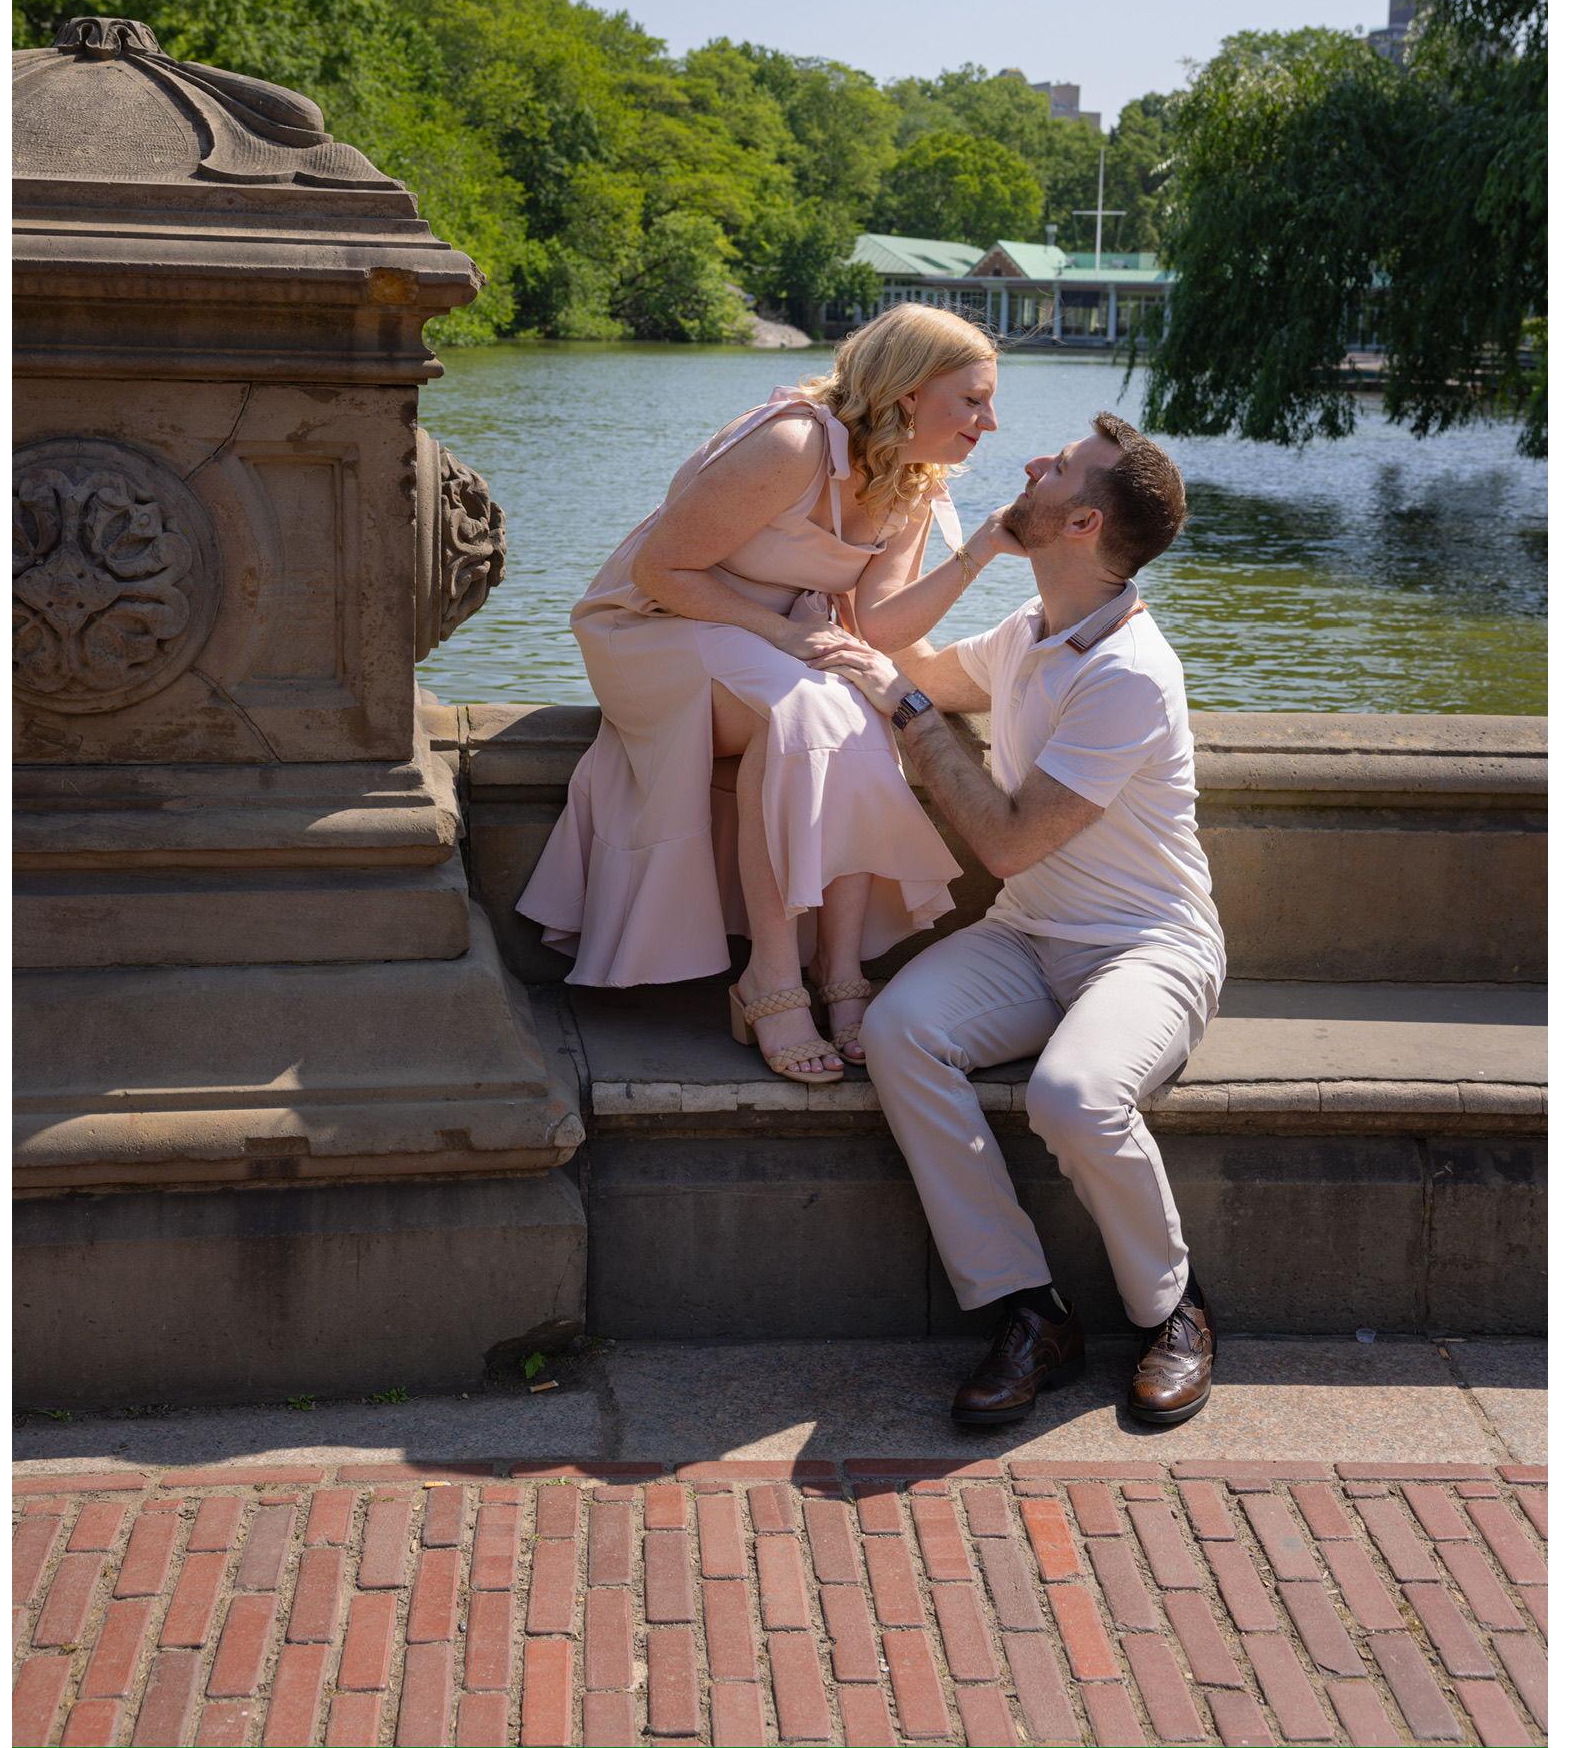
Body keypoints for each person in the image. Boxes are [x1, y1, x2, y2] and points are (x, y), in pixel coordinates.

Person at [827, 412, 1227, 1427]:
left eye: (1057, 468)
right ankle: (1026, 1309)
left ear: (1081, 521)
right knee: (897, 1031)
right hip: (1025, 936)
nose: (1033, 463)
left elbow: (1003, 838)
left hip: (1146, 946)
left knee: (1073, 1095)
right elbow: (908, 664)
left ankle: (1170, 1307)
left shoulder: (1127, 673)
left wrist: (910, 715)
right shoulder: (1029, 630)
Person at [517, 305, 1022, 1082]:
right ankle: (772, 981)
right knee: (809, 705)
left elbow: (880, 625)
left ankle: (840, 970)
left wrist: (981, 550)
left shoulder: (913, 479)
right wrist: (781, 633)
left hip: (761, 644)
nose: (989, 421)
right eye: (973, 399)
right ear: (909, 392)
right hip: (652, 629)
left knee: (856, 702)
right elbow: (659, 571)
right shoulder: (793, 443)